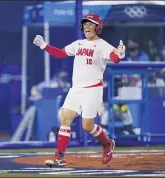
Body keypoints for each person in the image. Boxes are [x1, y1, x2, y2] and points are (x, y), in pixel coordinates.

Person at [33, 13, 125, 167]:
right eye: (85, 24)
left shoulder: (103, 45)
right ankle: (59, 157)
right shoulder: (78, 44)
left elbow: (114, 58)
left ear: (98, 27)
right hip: (76, 89)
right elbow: (60, 53)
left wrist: (120, 54)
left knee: (87, 126)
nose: (87, 27)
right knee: (65, 119)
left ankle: (107, 144)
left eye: (90, 24)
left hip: (92, 90)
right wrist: (44, 45)